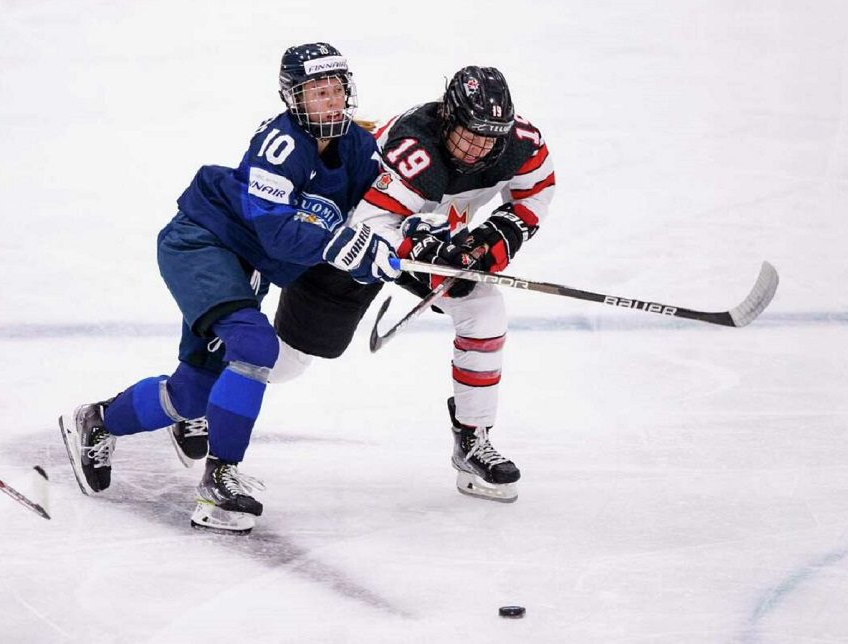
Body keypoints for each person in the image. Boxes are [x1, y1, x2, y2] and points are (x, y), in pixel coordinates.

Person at [58, 42, 399, 535]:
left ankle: (98, 420)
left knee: (195, 390)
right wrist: (343, 244)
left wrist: (400, 243)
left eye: (336, 91)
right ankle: (220, 479)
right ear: (292, 98)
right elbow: (277, 233)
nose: (329, 101)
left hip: (246, 268)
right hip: (202, 243)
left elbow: (381, 210)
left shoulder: (359, 149)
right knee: (255, 345)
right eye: (316, 92)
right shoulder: (279, 144)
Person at [278, 66, 556, 503]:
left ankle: (472, 439)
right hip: (350, 245)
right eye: (470, 134)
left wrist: (493, 238)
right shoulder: (414, 148)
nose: (480, 147)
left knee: (484, 310)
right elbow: (371, 221)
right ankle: (199, 391)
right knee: (289, 361)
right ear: (448, 116)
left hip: (422, 236)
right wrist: (426, 248)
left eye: (491, 136)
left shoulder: (521, 144)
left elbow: (536, 190)